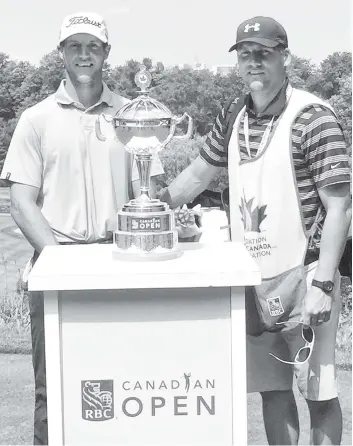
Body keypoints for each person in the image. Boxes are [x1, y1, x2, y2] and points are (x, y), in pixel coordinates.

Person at [160, 16, 351, 445]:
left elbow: (340, 206)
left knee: (318, 393)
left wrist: (323, 281)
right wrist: (150, 208)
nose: (253, 63)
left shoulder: (313, 116)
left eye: (263, 53)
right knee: (272, 389)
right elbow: (197, 175)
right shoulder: (233, 115)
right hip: (251, 278)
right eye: (245, 55)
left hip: (306, 275)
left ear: (284, 57)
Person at [0, 12, 164, 445]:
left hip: (120, 259)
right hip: (56, 259)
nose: (84, 54)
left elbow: (147, 191)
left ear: (107, 53)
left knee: (126, 381)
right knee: (52, 386)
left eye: (93, 46)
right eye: (75, 46)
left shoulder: (133, 115)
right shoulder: (36, 119)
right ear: (61, 54)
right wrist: (58, 262)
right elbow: (21, 201)